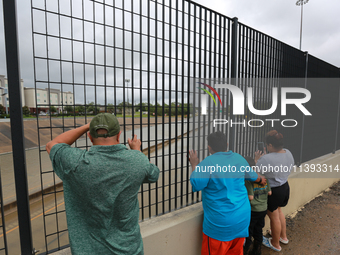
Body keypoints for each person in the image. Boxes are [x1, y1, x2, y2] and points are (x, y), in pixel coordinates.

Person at [46, 113, 160, 254]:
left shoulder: (76, 163)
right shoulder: (137, 160)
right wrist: (137, 151)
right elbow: (153, 175)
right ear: (119, 135)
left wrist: (88, 126)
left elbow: (52, 145)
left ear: (89, 136)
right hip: (129, 250)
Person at [189, 131, 266, 255]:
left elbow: (197, 184)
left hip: (220, 226)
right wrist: (261, 179)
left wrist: (194, 164)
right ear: (227, 144)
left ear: (209, 148)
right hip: (242, 220)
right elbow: (253, 176)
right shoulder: (239, 158)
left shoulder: (208, 163)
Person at [255, 130, 293, 252]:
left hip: (273, 190)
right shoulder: (288, 152)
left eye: (267, 145)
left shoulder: (266, 159)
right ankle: (283, 237)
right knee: (279, 211)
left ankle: (275, 244)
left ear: (270, 145)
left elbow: (257, 174)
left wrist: (257, 160)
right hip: (285, 187)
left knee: (274, 217)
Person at [243, 157, 272, 255]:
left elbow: (250, 197)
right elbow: (270, 193)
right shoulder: (264, 177)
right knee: (259, 229)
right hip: (263, 209)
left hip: (253, 210)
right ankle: (257, 250)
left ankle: (246, 250)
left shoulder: (248, 180)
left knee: (249, 231)